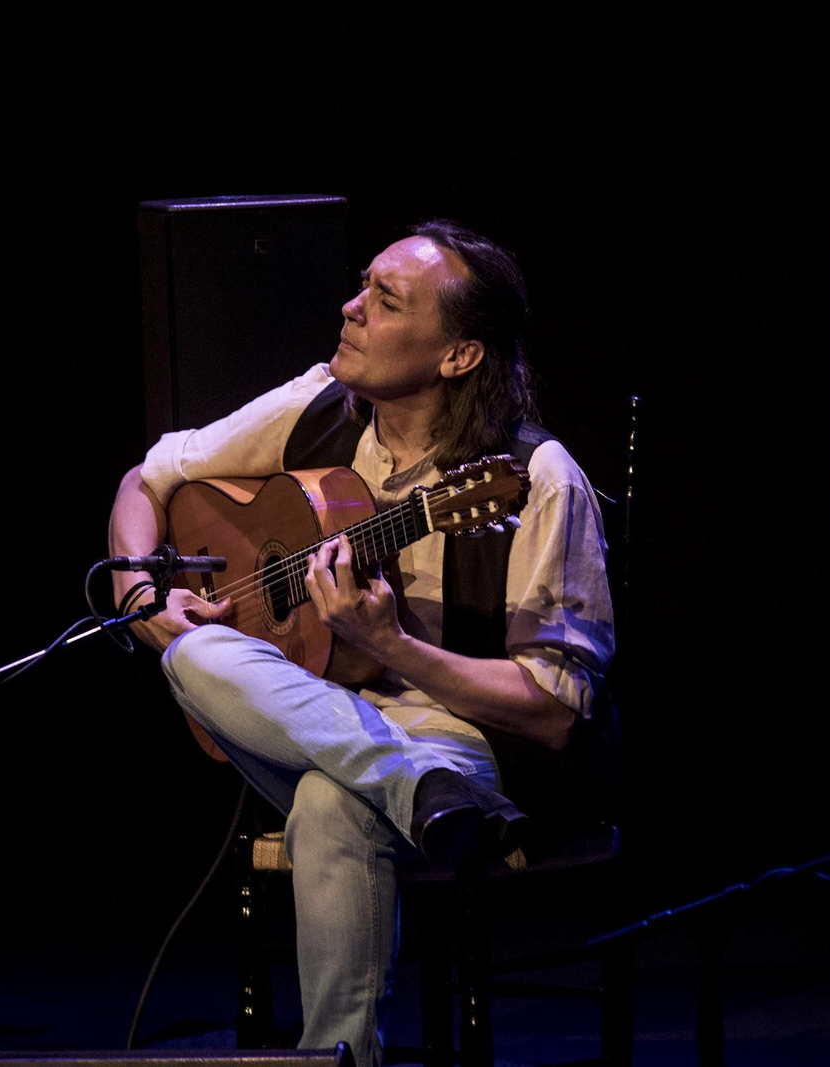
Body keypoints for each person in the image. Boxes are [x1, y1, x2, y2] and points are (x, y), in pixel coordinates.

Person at [109, 220, 614, 1067]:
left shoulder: (536, 479)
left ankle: (338, 1059)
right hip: (365, 740)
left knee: (330, 800)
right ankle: (414, 787)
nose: (350, 308)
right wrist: (139, 591)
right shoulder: (317, 408)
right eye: (362, 287)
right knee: (190, 651)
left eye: (384, 300)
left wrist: (396, 647)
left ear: (458, 355)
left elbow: (559, 714)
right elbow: (146, 479)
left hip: (470, 745)